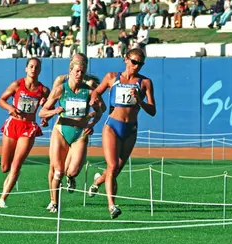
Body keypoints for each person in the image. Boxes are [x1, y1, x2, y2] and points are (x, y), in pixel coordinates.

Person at [88, 48, 156, 219]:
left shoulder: (145, 82)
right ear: (126, 59)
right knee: (112, 166)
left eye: (140, 64)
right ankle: (112, 206)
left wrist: (139, 100)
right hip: (112, 126)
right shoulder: (112, 77)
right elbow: (97, 92)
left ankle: (97, 181)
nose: (136, 66)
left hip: (130, 129)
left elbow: (153, 110)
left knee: (116, 169)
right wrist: (94, 100)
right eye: (134, 62)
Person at [41, 53, 106, 212]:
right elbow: (42, 112)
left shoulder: (89, 91)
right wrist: (53, 112)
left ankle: (71, 178)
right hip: (62, 130)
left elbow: (101, 109)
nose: (79, 74)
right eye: (76, 71)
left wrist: (93, 120)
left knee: (73, 171)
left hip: (80, 133)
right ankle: (54, 203)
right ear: (70, 70)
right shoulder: (60, 87)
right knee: (57, 170)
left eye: (82, 72)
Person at [0, 58, 50, 208]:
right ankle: (10, 179)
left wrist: (45, 118)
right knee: (5, 167)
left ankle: (2, 199)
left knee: (16, 165)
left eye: (36, 67)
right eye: (31, 66)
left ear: (40, 70)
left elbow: (46, 110)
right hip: (13, 125)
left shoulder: (44, 90)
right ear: (26, 69)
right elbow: (1, 100)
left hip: (28, 127)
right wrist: (10, 108)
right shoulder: (17, 85)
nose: (33, 69)